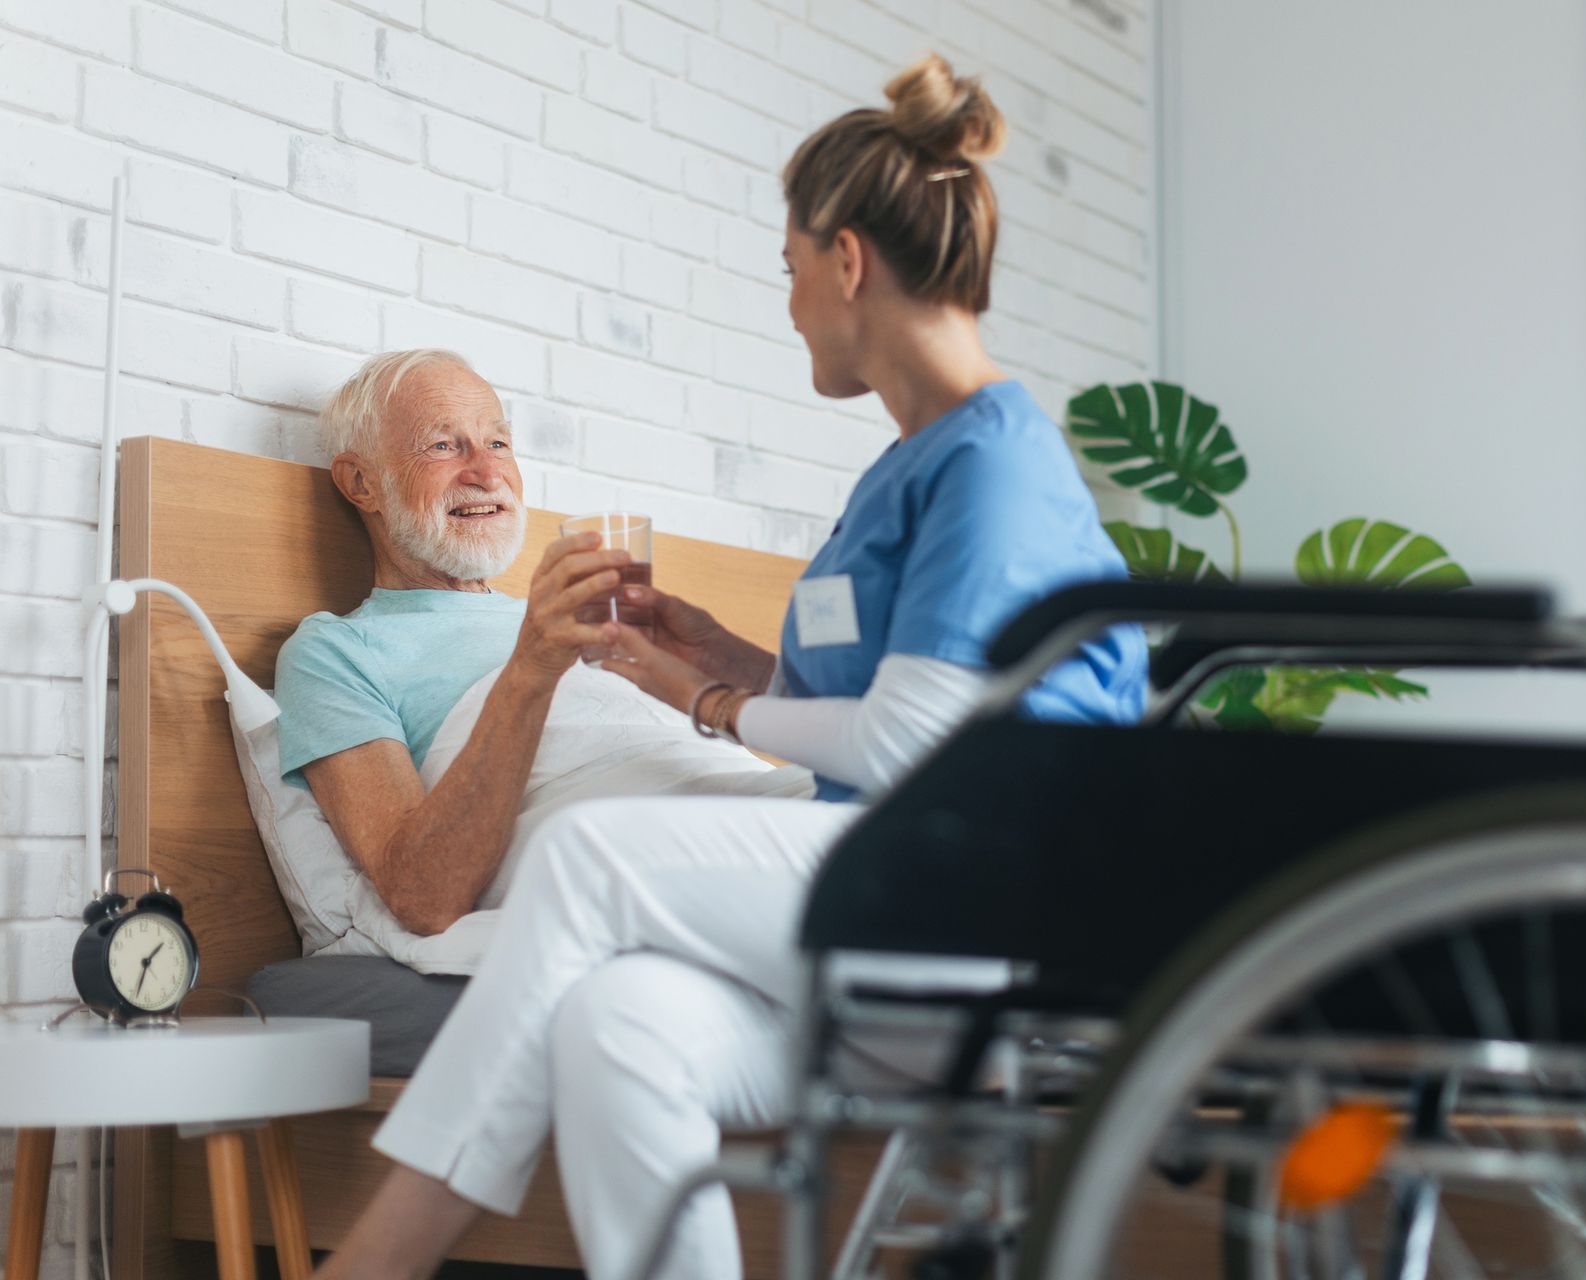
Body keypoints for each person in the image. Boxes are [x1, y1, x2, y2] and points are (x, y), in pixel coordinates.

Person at [312, 54, 1146, 1280]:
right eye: (447, 444)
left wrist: (710, 698)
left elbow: (919, 743)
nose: (792, 304)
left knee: (596, 859)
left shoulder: (995, 462)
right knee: (618, 1022)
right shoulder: (907, 470)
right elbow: (893, 695)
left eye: (791, 271)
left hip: (975, 908)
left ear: (847, 262)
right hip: (884, 927)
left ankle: (382, 1254)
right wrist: (718, 652)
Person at [277, 350, 797, 940]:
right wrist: (532, 666)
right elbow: (422, 895)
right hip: (643, 845)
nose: (487, 473)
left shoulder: (576, 618)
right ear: (361, 482)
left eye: (498, 443)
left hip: (746, 802)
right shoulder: (335, 652)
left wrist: (714, 673)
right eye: (444, 446)